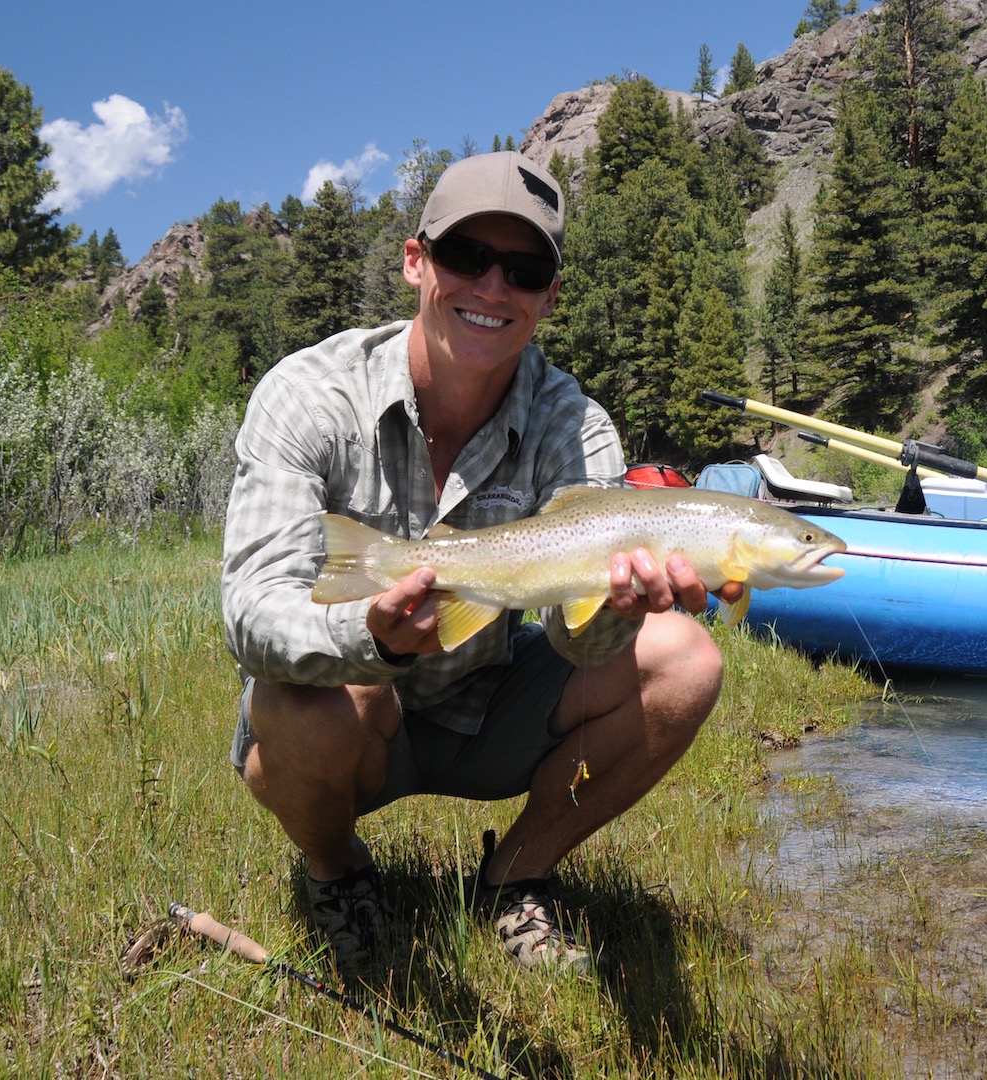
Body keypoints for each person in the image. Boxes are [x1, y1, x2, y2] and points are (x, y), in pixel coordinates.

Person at [221, 151, 734, 976]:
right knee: (294, 698)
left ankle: (517, 874)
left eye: (525, 270)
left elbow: (584, 648)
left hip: (489, 704)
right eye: (467, 257)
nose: (494, 289)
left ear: (550, 297)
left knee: (685, 657)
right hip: (356, 718)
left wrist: (619, 610)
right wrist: (372, 639)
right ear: (415, 260)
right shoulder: (308, 396)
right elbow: (250, 616)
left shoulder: (576, 424)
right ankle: (340, 872)